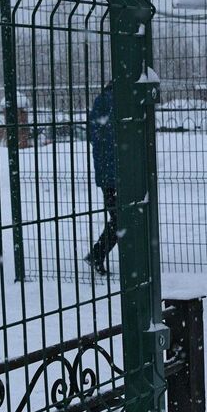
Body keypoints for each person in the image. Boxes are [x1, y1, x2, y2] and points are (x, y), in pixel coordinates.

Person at [84, 87, 120, 275]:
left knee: (120, 218)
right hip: (116, 174)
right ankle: (97, 254)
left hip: (109, 174)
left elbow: (94, 135)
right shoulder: (114, 102)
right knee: (121, 219)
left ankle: (97, 254)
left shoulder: (103, 103)